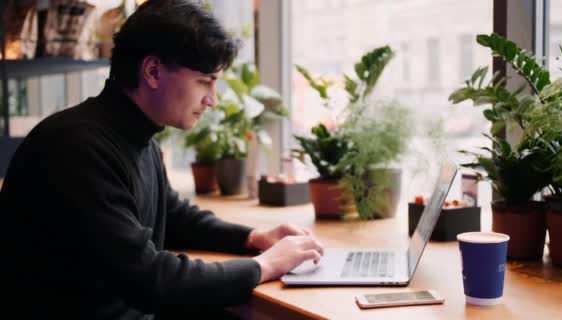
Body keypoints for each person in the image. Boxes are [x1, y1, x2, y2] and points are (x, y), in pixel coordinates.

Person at [0, 0, 324, 319]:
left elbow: (173, 215)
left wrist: (252, 238)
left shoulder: (135, 137)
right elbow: (151, 280)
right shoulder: (74, 147)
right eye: (205, 81)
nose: (212, 99)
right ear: (153, 71)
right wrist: (265, 265)